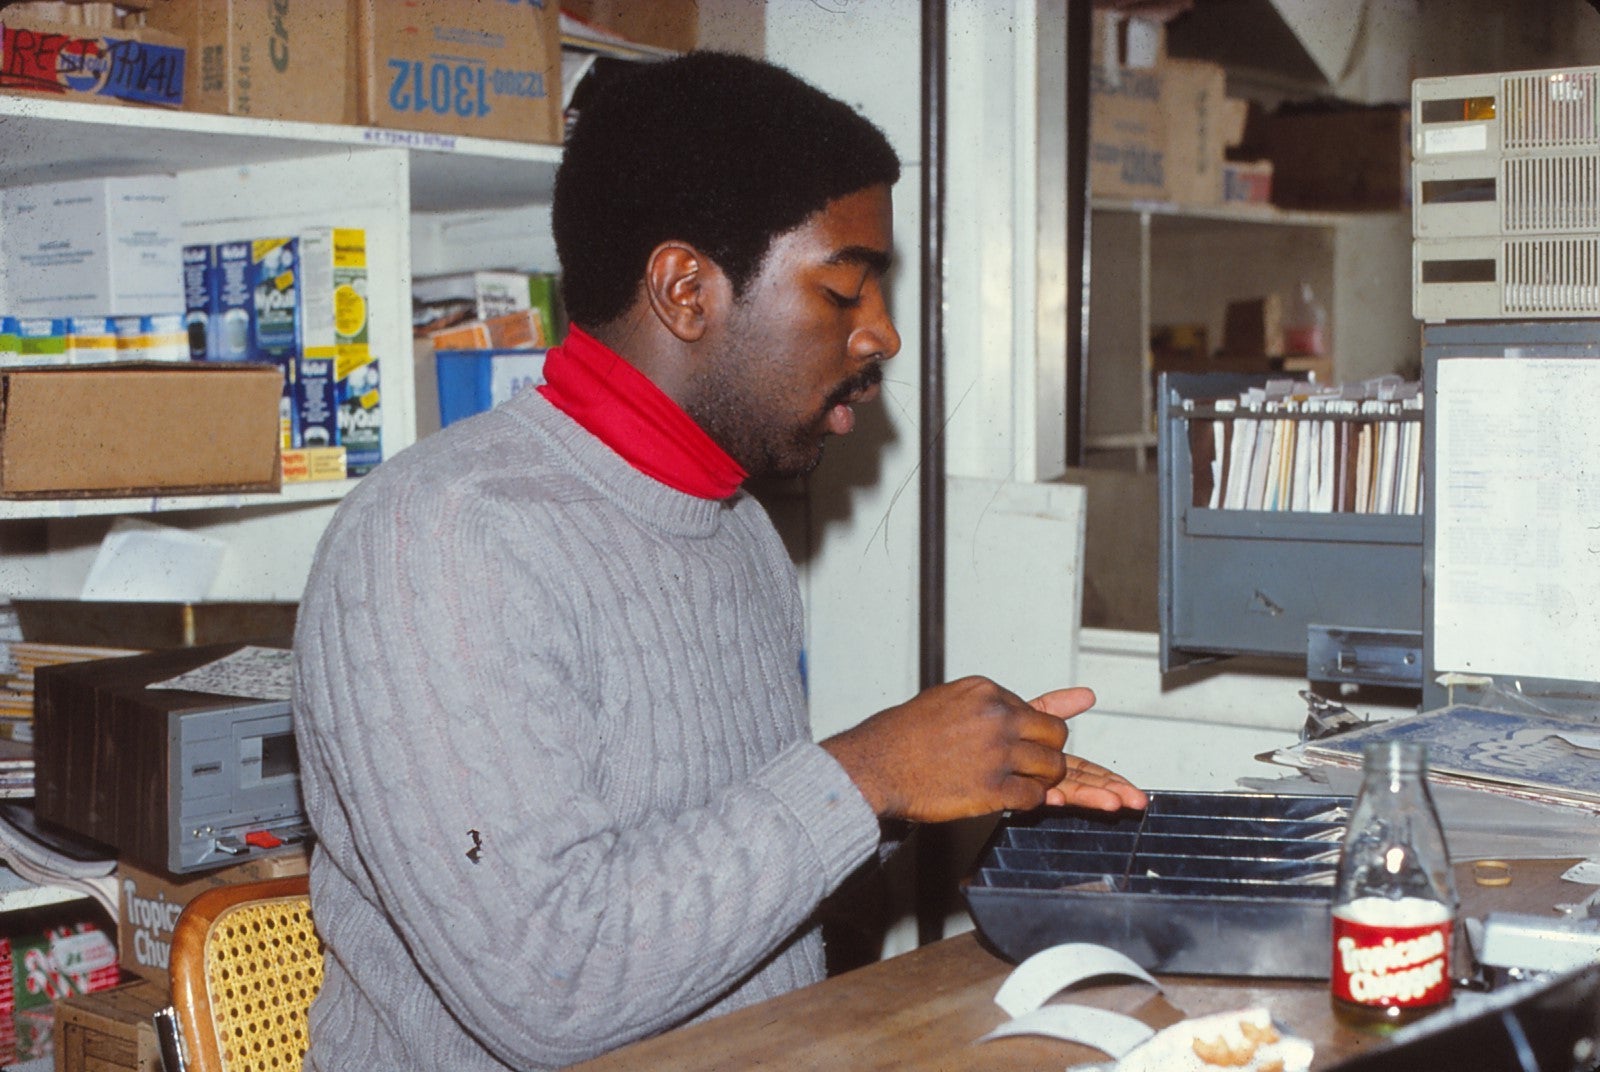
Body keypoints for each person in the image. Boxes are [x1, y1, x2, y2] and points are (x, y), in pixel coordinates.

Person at [291, 51, 1146, 1072]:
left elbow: (703, 880)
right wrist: (864, 774)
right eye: (844, 288)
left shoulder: (732, 526)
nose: (881, 333)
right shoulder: (439, 543)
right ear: (686, 290)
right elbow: (549, 985)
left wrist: (932, 781)